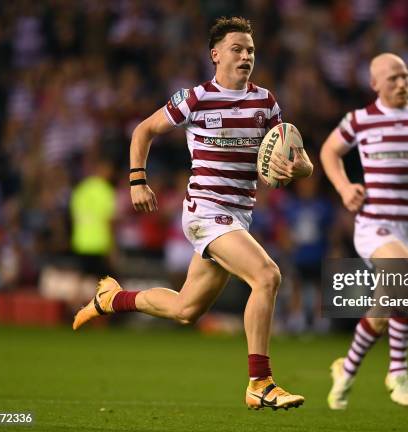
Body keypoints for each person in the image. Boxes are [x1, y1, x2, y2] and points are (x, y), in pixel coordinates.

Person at [72, 17, 312, 411]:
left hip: (238, 215)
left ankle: (113, 298)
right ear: (215, 55)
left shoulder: (265, 102)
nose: (246, 55)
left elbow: (302, 163)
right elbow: (143, 131)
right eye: (237, 48)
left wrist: (294, 168)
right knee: (267, 276)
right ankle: (260, 382)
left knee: (186, 310)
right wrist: (137, 180)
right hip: (205, 211)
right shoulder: (195, 98)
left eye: (250, 49)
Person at [320, 53, 408, 410]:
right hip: (374, 223)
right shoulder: (360, 120)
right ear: (375, 84)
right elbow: (329, 151)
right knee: (404, 282)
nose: (401, 83)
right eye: (393, 78)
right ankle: (397, 370)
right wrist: (343, 187)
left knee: (393, 304)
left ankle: (347, 369)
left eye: (405, 76)